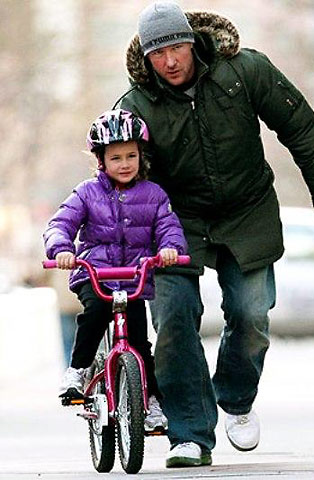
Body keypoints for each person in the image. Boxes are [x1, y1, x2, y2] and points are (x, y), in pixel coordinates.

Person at [113, 2, 314, 467]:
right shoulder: (136, 106)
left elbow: (300, 127)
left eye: (178, 47)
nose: (171, 61)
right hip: (177, 222)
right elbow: (118, 176)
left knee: (251, 313)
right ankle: (190, 434)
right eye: (159, 54)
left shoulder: (245, 71)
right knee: (175, 320)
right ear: (146, 56)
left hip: (247, 210)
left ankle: (236, 400)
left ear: (193, 42)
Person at [43, 108, 187, 433]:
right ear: (101, 161)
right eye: (116, 157)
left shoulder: (154, 195)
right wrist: (62, 250)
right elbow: (60, 224)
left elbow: (169, 226)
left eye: (131, 155)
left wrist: (170, 249)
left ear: (141, 155)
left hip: (132, 278)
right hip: (94, 274)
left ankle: (149, 402)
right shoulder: (86, 193)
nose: (124, 164)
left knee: (139, 341)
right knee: (95, 312)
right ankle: (78, 370)